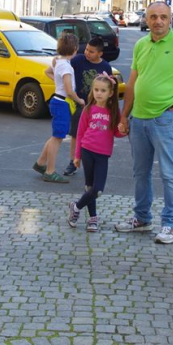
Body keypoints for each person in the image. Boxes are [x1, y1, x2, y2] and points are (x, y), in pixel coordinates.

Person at [115, 1, 173, 244]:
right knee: (140, 172)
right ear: (147, 19)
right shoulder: (141, 44)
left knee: (169, 173)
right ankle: (142, 219)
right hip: (138, 119)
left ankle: (171, 224)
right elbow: (132, 83)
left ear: (170, 18)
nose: (158, 21)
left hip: (164, 119)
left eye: (163, 16)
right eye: (153, 17)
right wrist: (124, 115)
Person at [67, 73, 125, 232]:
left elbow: (117, 133)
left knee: (97, 189)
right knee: (89, 186)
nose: (99, 93)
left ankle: (76, 207)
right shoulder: (88, 109)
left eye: (103, 90)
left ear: (111, 93)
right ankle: (93, 219)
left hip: (103, 154)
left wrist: (124, 129)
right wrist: (76, 155)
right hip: (87, 151)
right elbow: (80, 133)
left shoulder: (114, 111)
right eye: (96, 90)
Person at [33, 33, 86, 183]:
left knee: (55, 136)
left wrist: (58, 83)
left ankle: (40, 163)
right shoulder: (66, 67)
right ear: (75, 49)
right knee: (57, 138)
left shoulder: (58, 61)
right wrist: (80, 100)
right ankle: (50, 171)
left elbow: (47, 72)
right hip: (63, 102)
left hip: (57, 100)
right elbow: (69, 91)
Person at [62, 37, 112, 176]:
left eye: (91, 51)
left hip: (98, 106)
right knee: (75, 134)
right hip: (81, 103)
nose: (87, 53)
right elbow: (64, 67)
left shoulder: (105, 67)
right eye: (86, 49)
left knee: (97, 133)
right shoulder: (78, 60)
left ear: (100, 54)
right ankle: (72, 162)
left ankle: (95, 162)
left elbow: (109, 87)